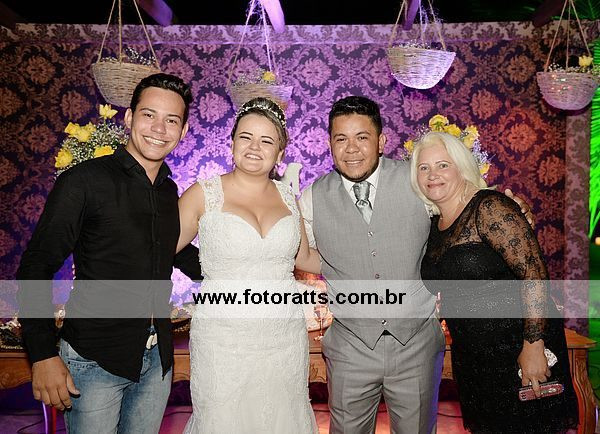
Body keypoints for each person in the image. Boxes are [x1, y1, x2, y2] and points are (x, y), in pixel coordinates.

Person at [298, 96, 534, 433]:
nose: (351, 149)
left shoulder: (417, 180)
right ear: (329, 144)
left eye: (362, 137)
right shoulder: (312, 196)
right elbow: (303, 255)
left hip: (417, 345)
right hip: (350, 347)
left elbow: (463, 211)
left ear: (381, 141)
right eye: (341, 139)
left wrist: (509, 209)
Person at [17, 73, 202, 433]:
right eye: (149, 115)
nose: (159, 128)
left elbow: (176, 253)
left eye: (171, 120)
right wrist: (42, 354)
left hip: (156, 363)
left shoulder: (169, 192)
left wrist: (247, 270)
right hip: (94, 359)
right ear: (129, 117)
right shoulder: (83, 181)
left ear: (183, 131)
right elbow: (36, 265)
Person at [413, 131, 579, 433]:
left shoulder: (489, 207)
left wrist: (533, 346)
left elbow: (533, 274)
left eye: (443, 165)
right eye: (424, 167)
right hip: (474, 357)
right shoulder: (433, 226)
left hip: (517, 349)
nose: (432, 174)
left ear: (462, 167)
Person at [177, 97, 320, 433]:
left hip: (284, 336)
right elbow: (159, 249)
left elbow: (304, 258)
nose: (254, 147)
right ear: (232, 144)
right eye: (246, 137)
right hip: (223, 338)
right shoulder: (202, 194)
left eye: (266, 141)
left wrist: (364, 256)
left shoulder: (289, 198)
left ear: (280, 154)